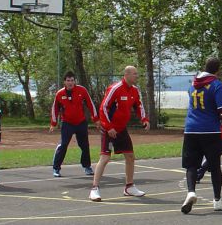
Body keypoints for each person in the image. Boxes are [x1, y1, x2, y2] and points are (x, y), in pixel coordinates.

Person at [181, 57, 222, 213]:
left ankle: (191, 192)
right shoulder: (216, 85)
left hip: (191, 130)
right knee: (215, 167)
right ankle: (217, 200)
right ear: (217, 70)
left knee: (191, 165)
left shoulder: (192, 85)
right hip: (210, 130)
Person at [89, 65, 150, 201]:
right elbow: (103, 107)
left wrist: (144, 119)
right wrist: (108, 127)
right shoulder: (115, 89)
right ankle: (94, 189)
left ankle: (129, 187)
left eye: (137, 74)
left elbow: (138, 106)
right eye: (134, 74)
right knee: (105, 158)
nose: (136, 76)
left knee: (130, 156)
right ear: (126, 75)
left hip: (122, 129)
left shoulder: (134, 90)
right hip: (109, 129)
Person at [50, 71, 98, 178]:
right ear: (64, 82)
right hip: (67, 123)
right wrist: (53, 123)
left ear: (75, 81)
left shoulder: (82, 90)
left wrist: (96, 119)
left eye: (72, 80)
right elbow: (55, 109)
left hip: (81, 122)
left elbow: (90, 104)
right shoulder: (60, 93)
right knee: (63, 145)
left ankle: (87, 166)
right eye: (68, 80)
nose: (70, 82)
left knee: (85, 145)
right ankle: (56, 168)